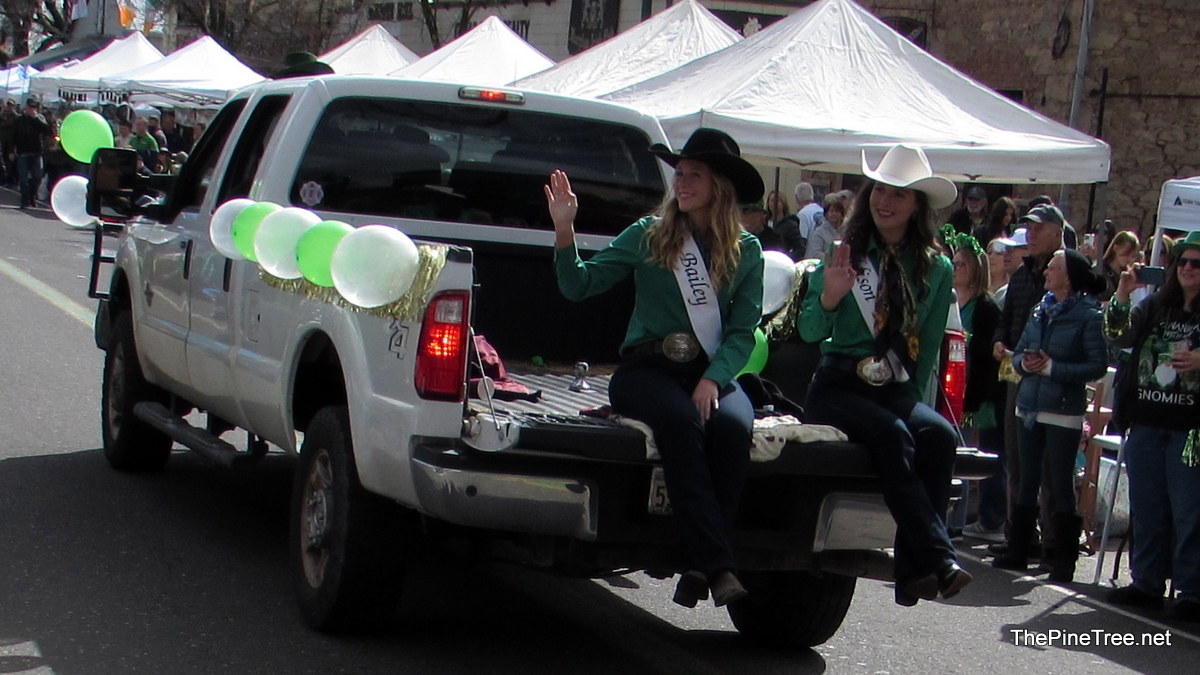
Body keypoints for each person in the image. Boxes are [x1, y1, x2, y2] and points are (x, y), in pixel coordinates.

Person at [546, 128, 765, 608]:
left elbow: (742, 332)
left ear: (720, 186)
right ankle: (717, 564)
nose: (681, 183)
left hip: (710, 371)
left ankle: (696, 564)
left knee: (733, 429)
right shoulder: (649, 233)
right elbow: (579, 285)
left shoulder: (746, 250)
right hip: (647, 372)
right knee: (683, 424)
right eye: (679, 174)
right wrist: (565, 230)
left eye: (694, 175)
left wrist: (713, 379)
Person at [799, 144, 969, 606]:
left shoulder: (936, 267)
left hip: (894, 387)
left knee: (938, 435)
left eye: (899, 193)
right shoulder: (843, 252)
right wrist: (830, 297)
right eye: (879, 190)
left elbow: (927, 350)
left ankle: (913, 574)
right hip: (838, 386)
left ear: (917, 206)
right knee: (892, 435)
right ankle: (939, 559)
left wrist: (914, 402)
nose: (885, 201)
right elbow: (810, 330)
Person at [992, 249, 1107, 582]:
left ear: (1068, 277)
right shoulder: (1040, 310)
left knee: (1059, 482)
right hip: (1029, 404)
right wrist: (1023, 363)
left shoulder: (1088, 315)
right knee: (1026, 478)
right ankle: (1018, 549)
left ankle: (1062, 558)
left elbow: (1097, 365)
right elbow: (1018, 353)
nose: (1046, 273)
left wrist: (1053, 368)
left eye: (1053, 268)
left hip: (1062, 409)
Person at [1103, 232, 1200, 621]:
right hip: (1146, 420)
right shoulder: (1156, 305)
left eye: (1197, 263)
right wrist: (1123, 294)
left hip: (1190, 429)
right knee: (1147, 507)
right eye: (1183, 261)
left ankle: (1192, 591)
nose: (1188, 268)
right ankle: (1146, 583)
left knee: (1189, 510)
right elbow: (1117, 335)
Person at [990, 205, 1065, 558]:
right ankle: (1019, 535)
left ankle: (1054, 540)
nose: (1031, 234)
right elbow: (1006, 320)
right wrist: (999, 341)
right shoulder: (1021, 276)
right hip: (1017, 373)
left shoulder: (1069, 273)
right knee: (1016, 458)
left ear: (1056, 232)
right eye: (1029, 229)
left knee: (1050, 464)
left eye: (1038, 228)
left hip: (1052, 378)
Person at [941, 229, 1006, 543]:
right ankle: (949, 516)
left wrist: (965, 344)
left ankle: (959, 521)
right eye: (953, 264)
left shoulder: (986, 308)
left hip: (974, 395)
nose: (955, 269)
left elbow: (986, 353)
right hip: (949, 389)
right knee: (950, 453)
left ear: (975, 269)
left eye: (961, 264)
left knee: (965, 457)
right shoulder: (949, 301)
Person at [9, 98, 50, 209]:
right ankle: (24, 200)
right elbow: (12, 136)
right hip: (23, 152)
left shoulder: (39, 118)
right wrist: (11, 150)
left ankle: (32, 196)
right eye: (29, 107)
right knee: (23, 178)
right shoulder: (19, 120)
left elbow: (46, 130)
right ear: (26, 107)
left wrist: (35, 118)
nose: (31, 109)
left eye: (33, 107)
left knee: (37, 176)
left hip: (36, 152)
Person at [775, 181, 821, 260]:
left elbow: (801, 240)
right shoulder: (821, 210)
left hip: (809, 258)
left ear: (796, 198)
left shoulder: (803, 214)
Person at [1099, 230, 1141, 301]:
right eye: (1126, 254)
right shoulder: (1099, 271)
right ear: (1115, 248)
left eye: (1133, 256)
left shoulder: (1130, 275)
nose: (1129, 259)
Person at [804, 192, 845, 259]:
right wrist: (832, 258)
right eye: (831, 211)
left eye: (837, 211)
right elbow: (815, 253)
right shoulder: (819, 232)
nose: (834, 214)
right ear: (826, 214)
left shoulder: (847, 230)